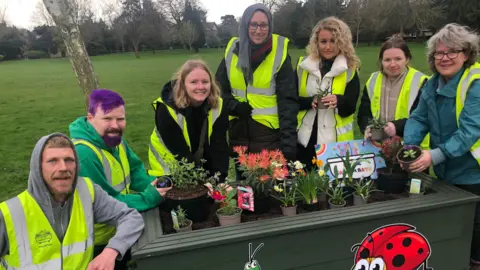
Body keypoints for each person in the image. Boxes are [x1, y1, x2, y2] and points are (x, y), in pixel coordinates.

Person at [0, 133, 144, 270]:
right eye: (52, 161)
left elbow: (131, 217)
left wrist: (110, 252)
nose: (63, 168)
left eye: (69, 160)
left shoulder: (87, 192)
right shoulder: (9, 214)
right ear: (38, 168)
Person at [402, 23, 480, 269]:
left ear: (466, 54)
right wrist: (410, 146)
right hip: (446, 168)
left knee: (474, 226)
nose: (444, 58)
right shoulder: (432, 84)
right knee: (453, 224)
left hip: (473, 170)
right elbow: (418, 117)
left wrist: (435, 156)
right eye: (439, 53)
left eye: (452, 51)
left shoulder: (475, 83)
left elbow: (470, 131)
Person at [69, 89, 170, 269]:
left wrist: (155, 185)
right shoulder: (84, 154)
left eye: (120, 119)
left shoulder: (115, 140)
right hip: (96, 241)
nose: (115, 125)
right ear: (90, 118)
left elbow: (136, 170)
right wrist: (150, 197)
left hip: (119, 229)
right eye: (107, 119)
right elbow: (108, 202)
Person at [215, 3, 299, 177]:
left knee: (271, 195)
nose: (258, 30)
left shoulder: (279, 52)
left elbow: (288, 101)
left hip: (269, 138)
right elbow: (217, 90)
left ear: (270, 26)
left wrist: (289, 145)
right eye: (253, 24)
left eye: (263, 25)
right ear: (245, 25)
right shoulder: (232, 50)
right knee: (245, 195)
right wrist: (233, 106)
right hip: (240, 139)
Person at [294, 16, 361, 170]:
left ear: (342, 42)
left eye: (333, 41)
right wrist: (309, 101)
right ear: (316, 43)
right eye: (323, 42)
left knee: (330, 191)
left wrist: (338, 101)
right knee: (305, 188)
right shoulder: (302, 67)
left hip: (334, 144)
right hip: (304, 140)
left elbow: (351, 107)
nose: (328, 47)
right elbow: (291, 100)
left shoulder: (350, 70)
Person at [148, 59, 229, 182]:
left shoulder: (219, 105)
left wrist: (219, 179)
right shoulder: (166, 109)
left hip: (197, 163)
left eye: (205, 82)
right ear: (183, 85)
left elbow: (219, 145)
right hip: (168, 167)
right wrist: (201, 180)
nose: (200, 87)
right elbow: (179, 152)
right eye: (193, 82)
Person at [359, 35, 429, 146]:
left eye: (398, 59)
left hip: (410, 147)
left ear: (407, 59)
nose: (392, 64)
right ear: (381, 61)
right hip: (378, 145)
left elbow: (424, 118)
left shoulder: (421, 81)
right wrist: (367, 127)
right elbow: (364, 112)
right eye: (387, 60)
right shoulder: (373, 79)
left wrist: (396, 126)